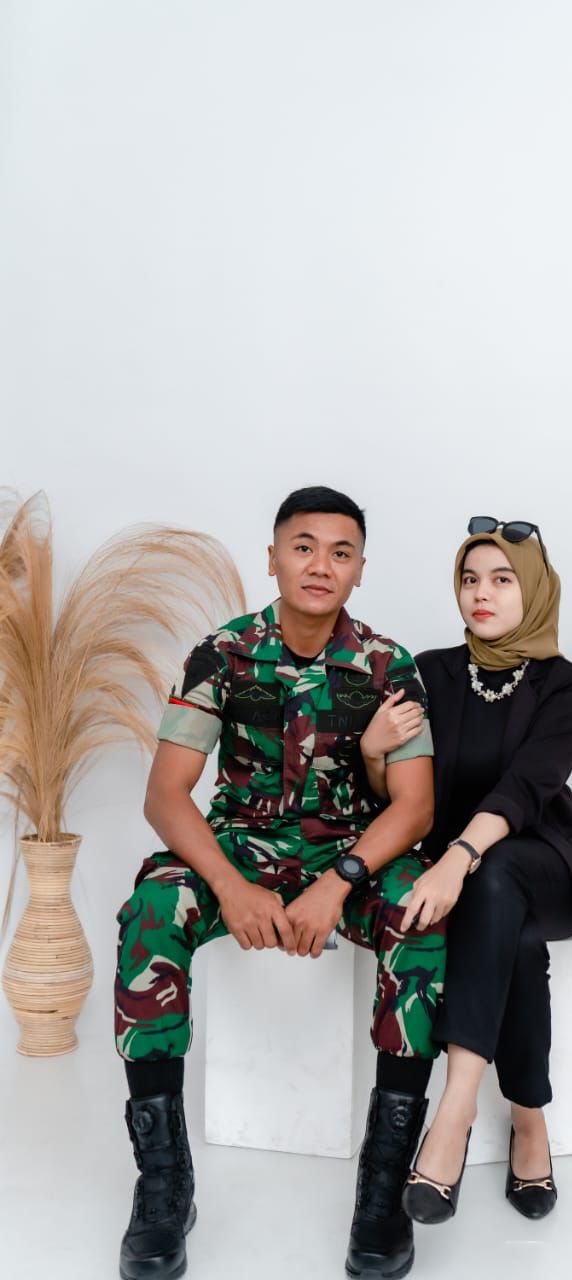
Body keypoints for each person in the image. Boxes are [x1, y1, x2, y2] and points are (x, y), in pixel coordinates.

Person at [113, 486, 446, 1280]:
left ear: (359, 569)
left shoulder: (387, 665)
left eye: (340, 552)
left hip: (351, 853)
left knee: (420, 914)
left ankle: (382, 1188)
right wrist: (230, 886)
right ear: (272, 558)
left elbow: (415, 805)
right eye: (303, 547)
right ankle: (163, 1187)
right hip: (241, 849)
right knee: (153, 905)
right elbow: (166, 795)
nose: (320, 565)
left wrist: (340, 883)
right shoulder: (222, 654)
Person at [359, 518, 572, 1225]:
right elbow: (399, 791)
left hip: (549, 863)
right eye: (470, 579)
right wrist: (374, 752)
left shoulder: (566, 684)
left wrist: (457, 859)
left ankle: (456, 1109)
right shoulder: (430, 673)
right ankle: (529, 1118)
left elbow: (528, 788)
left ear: (533, 589)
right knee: (513, 939)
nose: (481, 593)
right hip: (472, 878)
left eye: (502, 579)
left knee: (496, 875)